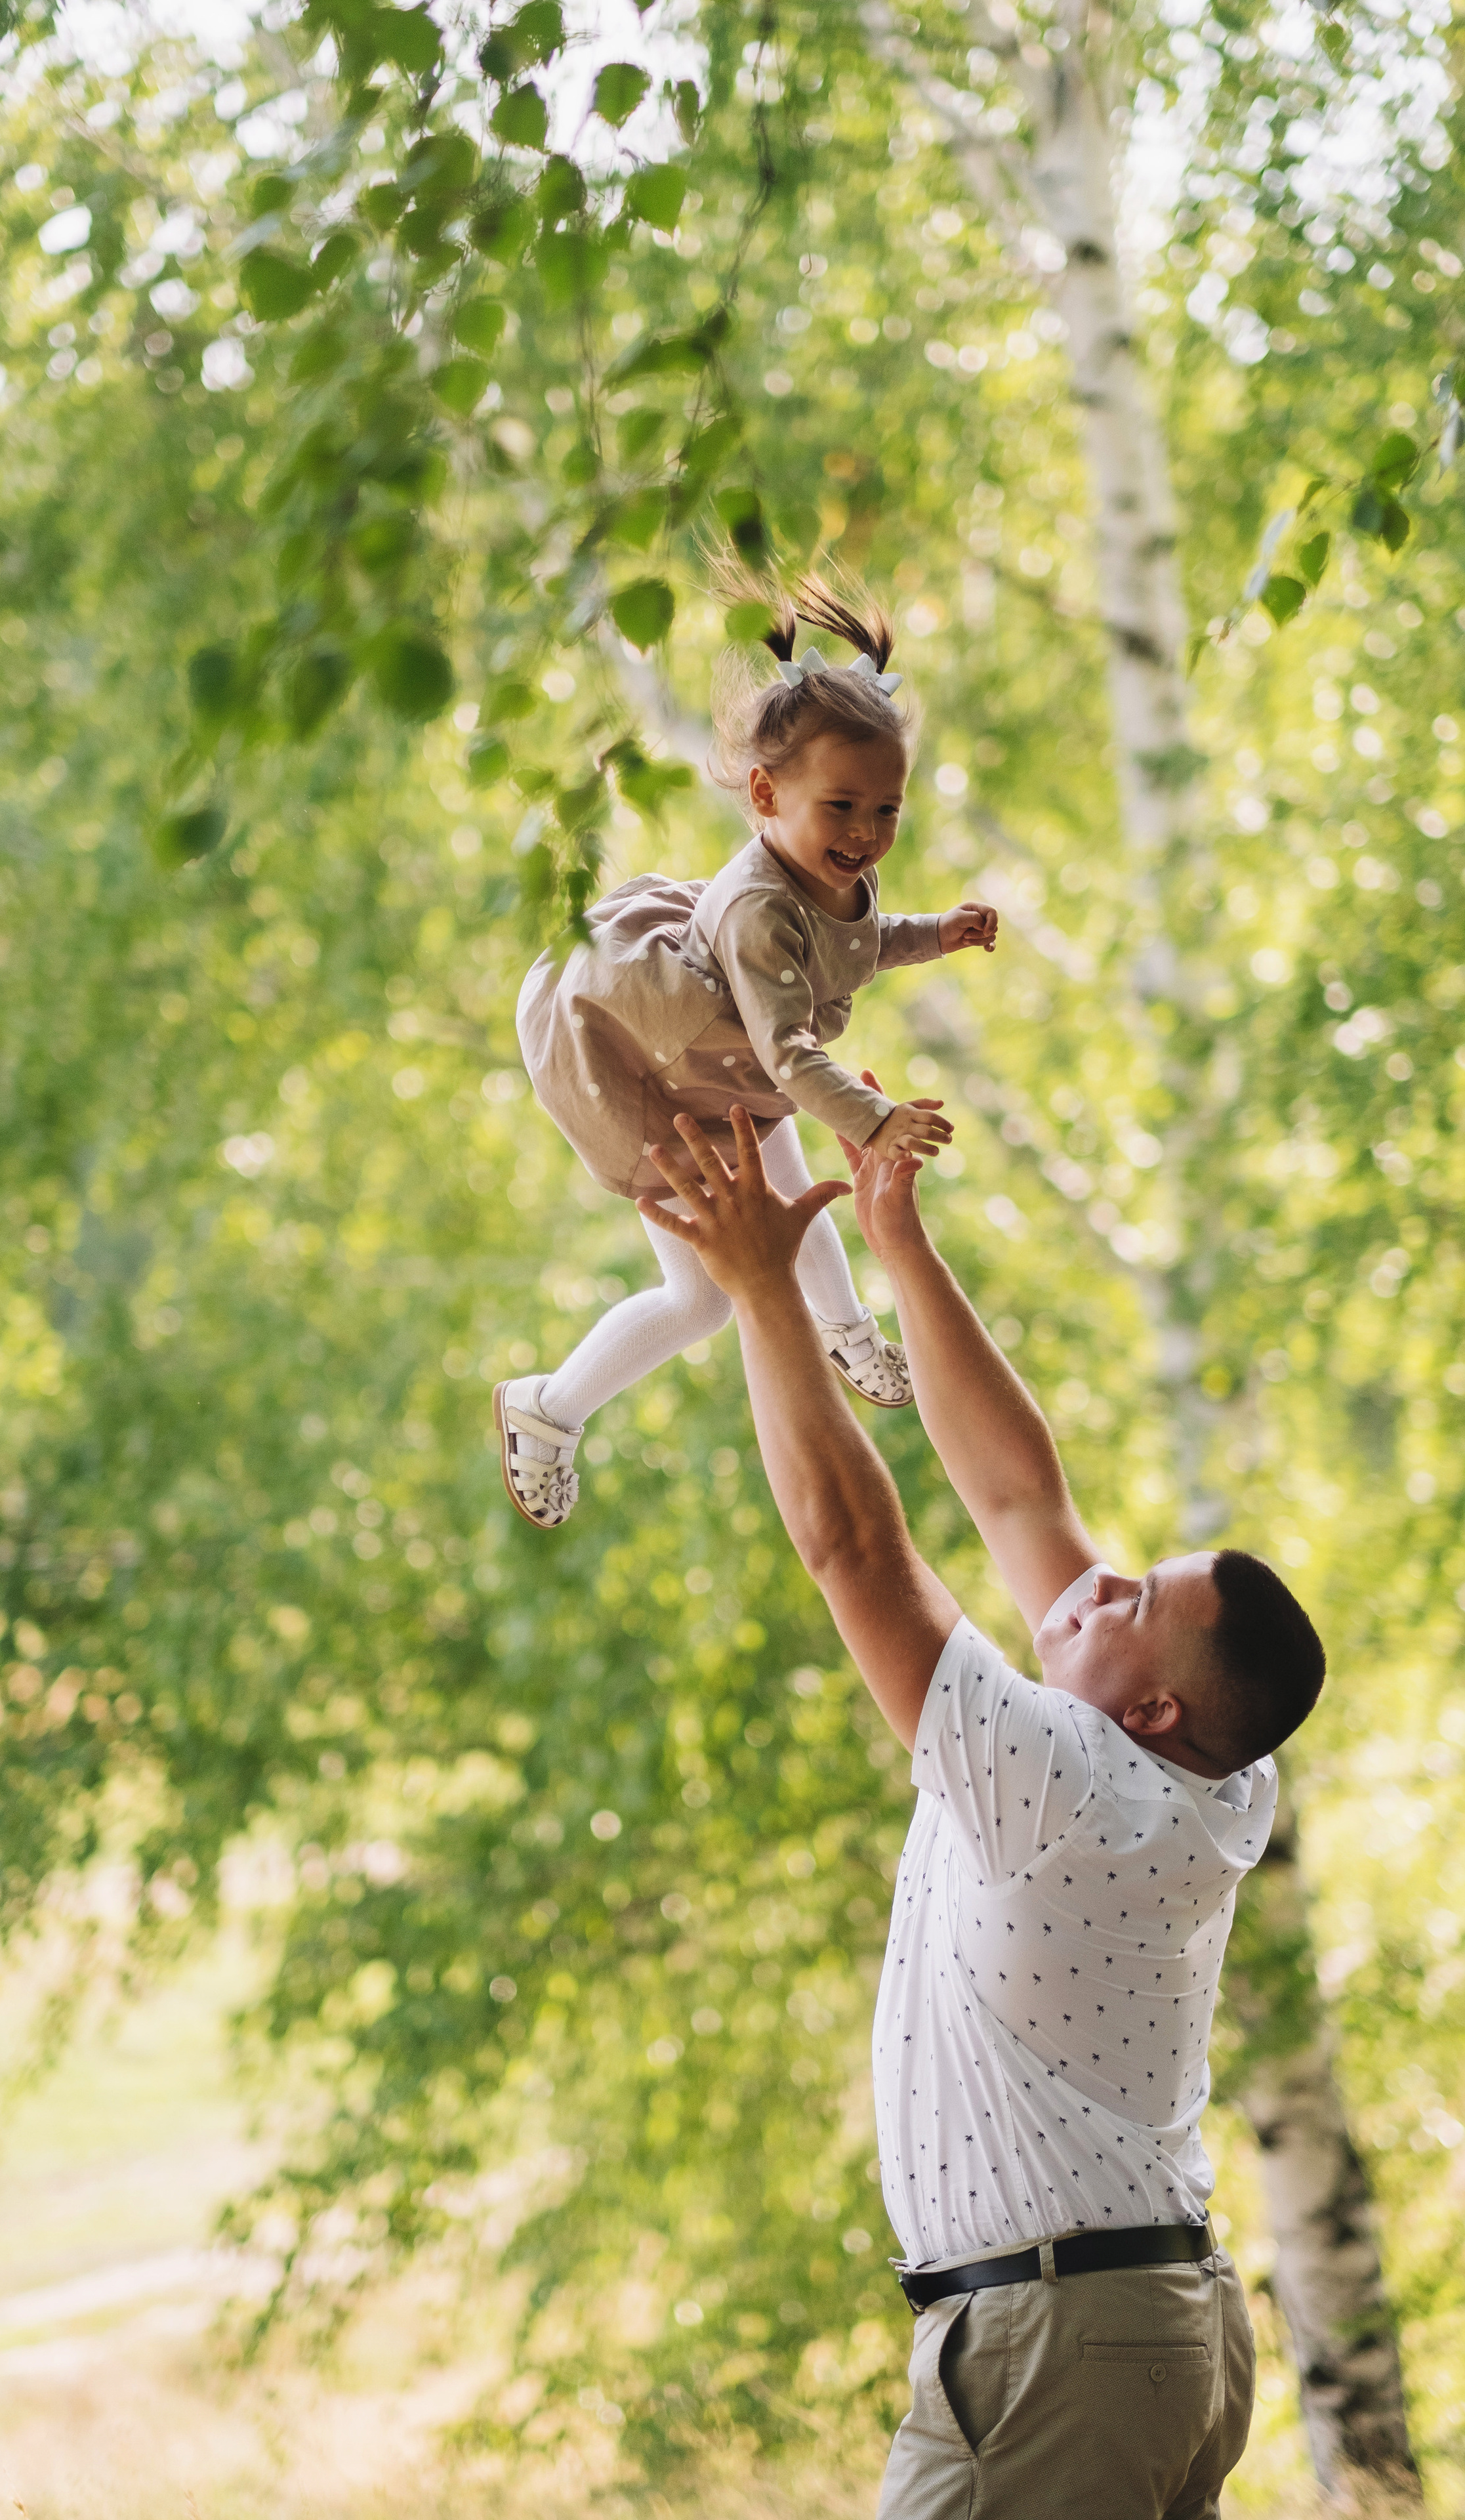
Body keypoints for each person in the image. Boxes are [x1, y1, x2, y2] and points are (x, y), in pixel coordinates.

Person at [639, 1102, 1326, 2520]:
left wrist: (769, 1292)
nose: (1093, 1579)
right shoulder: (1212, 1778)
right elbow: (1018, 1492)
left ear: (1148, 1709)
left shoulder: (1066, 1787)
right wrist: (897, 1243)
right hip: (1143, 2328)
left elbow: (851, 1550)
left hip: (1058, 2350)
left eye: (1130, 1599)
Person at [494, 569, 998, 1532]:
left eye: (886, 811)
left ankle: (845, 1327)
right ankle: (548, 1408)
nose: (867, 835)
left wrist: (940, 931)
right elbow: (791, 1056)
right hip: (665, 1070)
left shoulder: (830, 876)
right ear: (765, 795)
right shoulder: (764, 911)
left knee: (797, 1190)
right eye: (843, 809)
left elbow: (857, 944)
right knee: (702, 1298)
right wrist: (876, 1119)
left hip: (730, 1071)